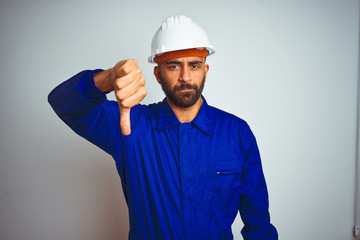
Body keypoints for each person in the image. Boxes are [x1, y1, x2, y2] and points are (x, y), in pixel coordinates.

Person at [48, 15, 278, 240]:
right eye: (174, 66)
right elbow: (63, 102)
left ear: (206, 72)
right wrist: (108, 78)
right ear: (158, 74)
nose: (186, 77)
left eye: (195, 65)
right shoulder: (130, 126)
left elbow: (258, 223)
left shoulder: (236, 133)